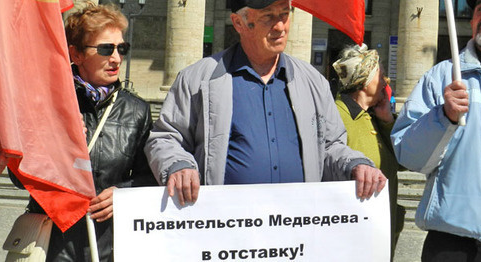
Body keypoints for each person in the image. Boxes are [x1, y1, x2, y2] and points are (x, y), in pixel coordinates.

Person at [144, 0, 387, 207]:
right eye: (268, 17)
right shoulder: (198, 79)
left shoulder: (313, 81)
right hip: (225, 228)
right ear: (239, 23)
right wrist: (178, 165)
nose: (280, 26)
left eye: (284, 14)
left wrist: (356, 164)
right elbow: (166, 137)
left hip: (295, 228)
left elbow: (331, 146)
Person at [10, 4, 156, 262]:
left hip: (110, 248)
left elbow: (149, 177)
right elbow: (19, 177)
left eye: (121, 48)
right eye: (105, 49)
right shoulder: (47, 103)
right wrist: (53, 143)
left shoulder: (137, 111)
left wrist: (124, 193)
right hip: (51, 246)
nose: (116, 58)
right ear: (75, 54)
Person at [391, 0, 481, 260]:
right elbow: (408, 155)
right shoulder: (441, 78)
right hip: (452, 241)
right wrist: (443, 117)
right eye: (480, 9)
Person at [332, 44, 404, 260]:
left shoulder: (373, 115)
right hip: (352, 235)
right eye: (380, 75)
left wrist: (387, 121)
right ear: (365, 80)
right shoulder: (337, 115)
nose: (386, 81)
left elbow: (404, 161)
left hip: (381, 231)